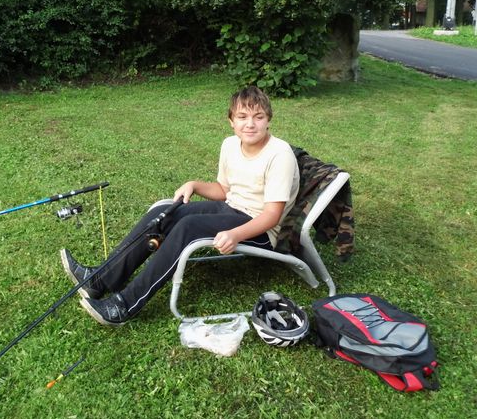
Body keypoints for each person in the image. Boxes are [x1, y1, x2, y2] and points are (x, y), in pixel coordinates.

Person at [60, 86, 300, 326]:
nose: (250, 124)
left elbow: (272, 215)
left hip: (261, 228)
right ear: (231, 121)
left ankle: (124, 305)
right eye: (242, 117)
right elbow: (224, 189)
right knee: (163, 213)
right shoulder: (230, 145)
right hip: (231, 207)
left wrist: (235, 234)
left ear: (268, 120)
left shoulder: (279, 154)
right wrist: (193, 185)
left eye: (258, 117)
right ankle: (99, 280)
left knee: (189, 227)